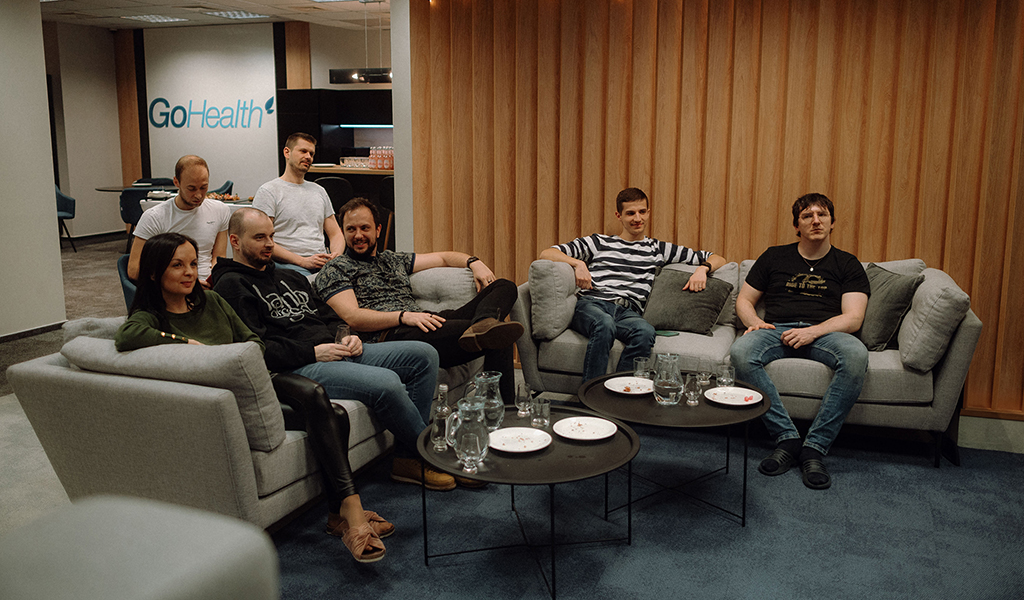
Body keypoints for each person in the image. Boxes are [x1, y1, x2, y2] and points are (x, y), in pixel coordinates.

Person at [118, 232, 389, 564]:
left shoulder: (212, 301)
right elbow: (129, 334)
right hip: (227, 403)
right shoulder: (152, 318)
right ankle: (353, 515)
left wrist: (232, 358)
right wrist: (187, 346)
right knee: (321, 401)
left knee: (336, 414)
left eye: (192, 264)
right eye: (177, 266)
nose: (189, 272)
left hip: (258, 383)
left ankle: (339, 515)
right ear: (153, 273)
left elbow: (253, 341)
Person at [211, 208, 469, 494]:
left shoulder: (290, 277)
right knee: (386, 382)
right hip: (298, 366)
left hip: (336, 350)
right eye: (259, 237)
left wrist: (348, 336)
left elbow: (328, 315)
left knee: (423, 355)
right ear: (234, 241)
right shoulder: (230, 286)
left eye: (271, 236)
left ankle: (407, 458)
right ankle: (432, 454)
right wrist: (312, 352)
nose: (269, 244)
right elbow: (256, 347)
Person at [315, 197, 523, 406]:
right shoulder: (335, 269)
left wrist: (474, 262)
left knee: (505, 286)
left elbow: (443, 258)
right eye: (351, 229)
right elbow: (353, 317)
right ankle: (506, 409)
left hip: (421, 321)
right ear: (343, 232)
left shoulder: (393, 259)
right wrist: (404, 317)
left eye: (364, 228)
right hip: (392, 335)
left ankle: (485, 322)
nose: (358, 235)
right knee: (500, 335)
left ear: (378, 230)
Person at [730, 193, 870, 491]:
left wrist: (814, 331)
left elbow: (853, 318)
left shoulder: (847, 263)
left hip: (828, 333)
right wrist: (755, 323)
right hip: (776, 329)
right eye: (807, 216)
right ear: (797, 225)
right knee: (741, 352)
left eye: (822, 215)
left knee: (856, 357)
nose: (816, 220)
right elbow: (744, 300)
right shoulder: (774, 256)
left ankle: (815, 448)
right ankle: (788, 438)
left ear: (832, 223)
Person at [540, 187, 727, 383]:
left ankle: (620, 392)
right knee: (605, 324)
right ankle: (591, 397)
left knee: (645, 331)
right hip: (594, 304)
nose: (637, 218)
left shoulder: (658, 249)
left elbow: (717, 258)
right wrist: (578, 263)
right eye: (630, 213)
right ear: (618, 215)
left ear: (648, 212)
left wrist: (702, 269)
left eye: (642, 212)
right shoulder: (599, 242)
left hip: (628, 312)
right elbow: (547, 253)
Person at [127, 155, 230, 286]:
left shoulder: (220, 210)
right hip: (173, 287)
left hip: (209, 285)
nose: (198, 195)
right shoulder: (155, 217)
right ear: (177, 183)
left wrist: (215, 278)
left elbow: (218, 258)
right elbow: (134, 270)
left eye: (203, 187)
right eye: (191, 188)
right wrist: (187, 283)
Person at [251, 132, 344, 276]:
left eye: (311, 154)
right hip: (286, 265)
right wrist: (302, 261)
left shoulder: (319, 191)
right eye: (303, 151)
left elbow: (336, 233)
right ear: (287, 152)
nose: (308, 157)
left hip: (322, 263)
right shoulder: (269, 191)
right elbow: (261, 240)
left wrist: (335, 256)